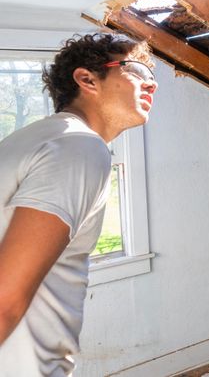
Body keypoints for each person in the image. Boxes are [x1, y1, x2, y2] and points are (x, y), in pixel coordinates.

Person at [0, 33, 158, 376]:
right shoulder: (78, 146)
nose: (152, 86)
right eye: (138, 72)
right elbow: (4, 300)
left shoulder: (35, 138)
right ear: (87, 79)